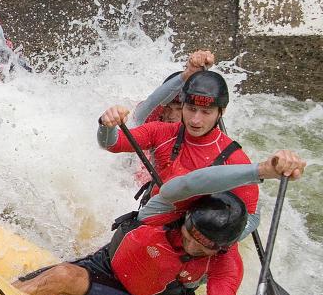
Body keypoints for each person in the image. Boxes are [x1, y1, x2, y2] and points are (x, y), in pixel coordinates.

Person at [14, 150, 306, 295]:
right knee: (33, 281)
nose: (192, 246)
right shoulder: (168, 206)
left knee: (65, 276)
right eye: (190, 234)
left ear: (223, 247)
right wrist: (261, 171)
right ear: (188, 217)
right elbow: (195, 182)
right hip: (99, 267)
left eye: (204, 246)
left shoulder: (225, 263)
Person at [97, 68, 259, 234]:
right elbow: (112, 144)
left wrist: (219, 238)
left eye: (205, 112)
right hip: (152, 226)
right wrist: (106, 124)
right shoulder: (160, 131)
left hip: (199, 243)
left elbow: (252, 215)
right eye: (190, 109)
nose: (195, 120)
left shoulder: (233, 157)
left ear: (221, 112)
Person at [131, 50, 216, 127]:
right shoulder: (152, 116)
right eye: (168, 108)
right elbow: (152, 102)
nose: (171, 116)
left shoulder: (200, 124)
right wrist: (188, 73)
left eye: (179, 109)